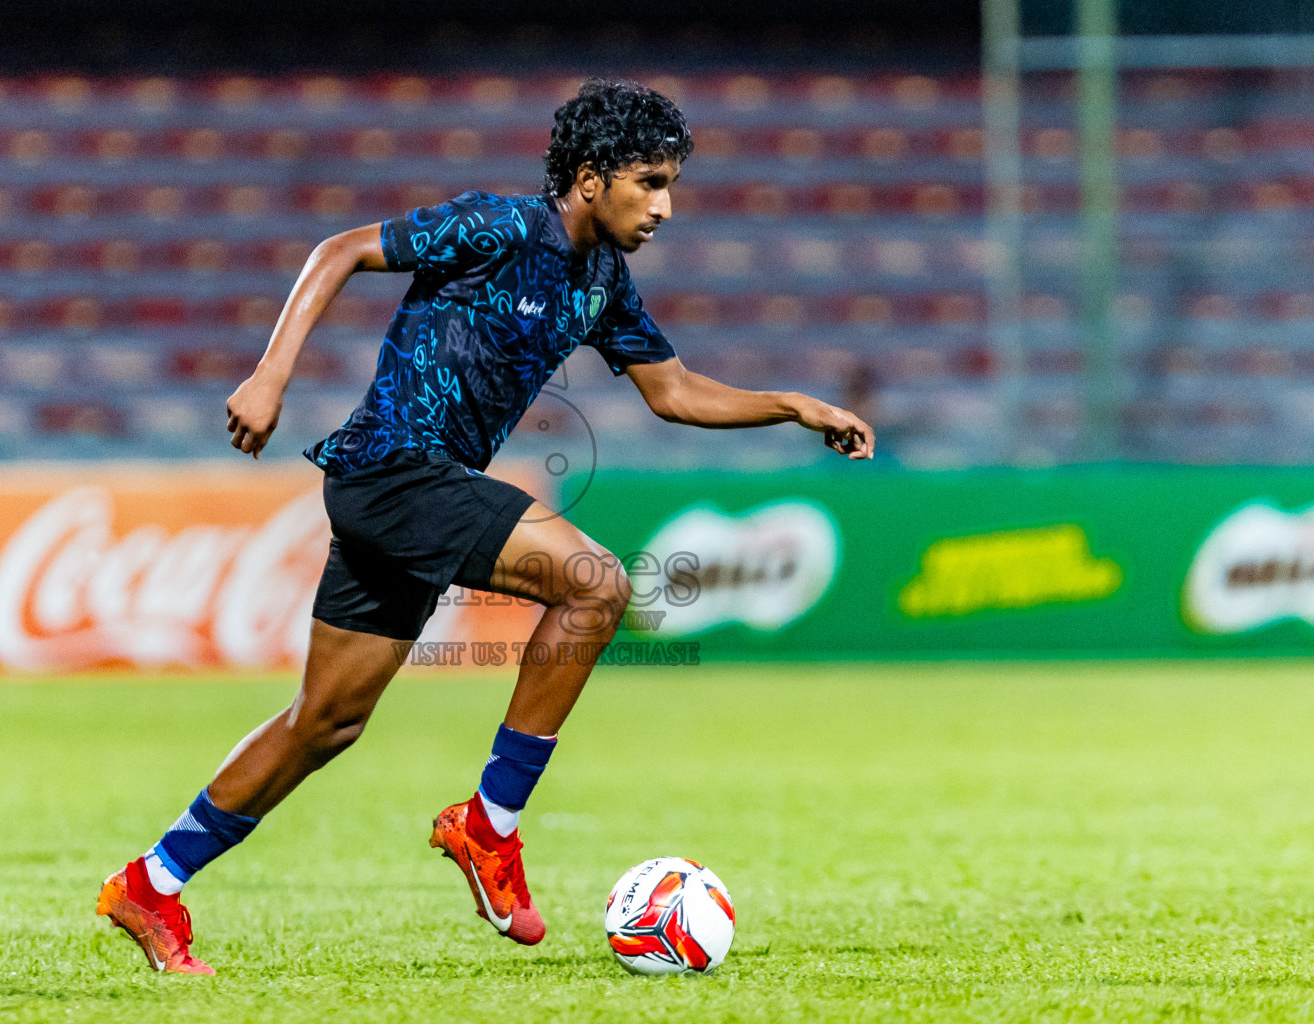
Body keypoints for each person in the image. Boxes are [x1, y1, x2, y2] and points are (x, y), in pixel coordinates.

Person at [97, 79, 873, 974]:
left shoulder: (603, 281)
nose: (666, 206)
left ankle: (152, 882)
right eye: (650, 182)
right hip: (394, 470)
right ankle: (489, 826)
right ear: (590, 178)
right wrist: (270, 376)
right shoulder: (500, 227)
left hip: (416, 491)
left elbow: (672, 391)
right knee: (596, 584)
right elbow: (342, 248)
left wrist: (791, 406)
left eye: (671, 185)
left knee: (326, 722)